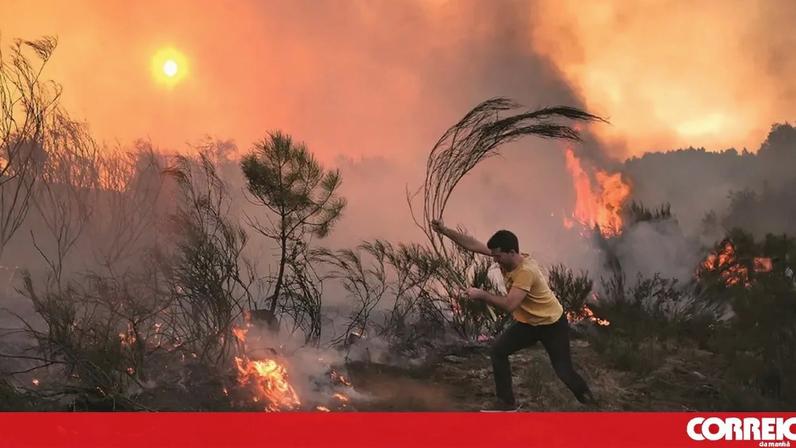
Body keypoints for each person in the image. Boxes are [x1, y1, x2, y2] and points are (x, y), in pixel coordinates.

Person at [431, 219, 596, 411]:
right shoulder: (506, 258)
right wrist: (444, 231)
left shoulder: (526, 271)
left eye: (498, 256)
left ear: (511, 252)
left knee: (564, 371)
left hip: (551, 325)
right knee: (498, 351)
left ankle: (592, 404)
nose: (495, 260)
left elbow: (510, 304)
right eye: (494, 255)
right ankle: (506, 403)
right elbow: (473, 244)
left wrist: (482, 294)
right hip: (528, 324)